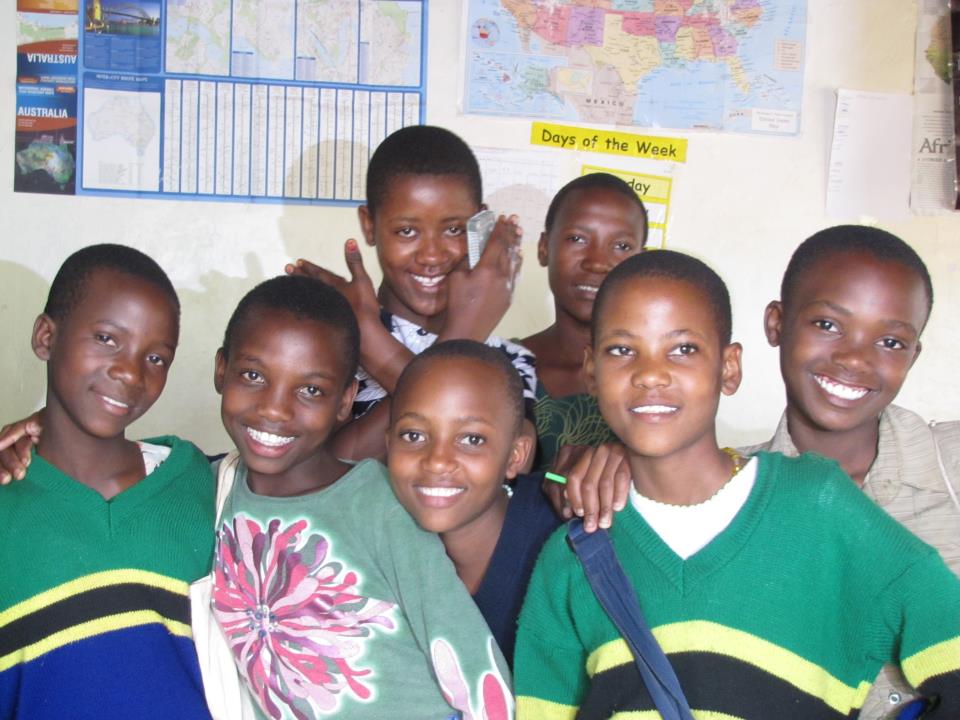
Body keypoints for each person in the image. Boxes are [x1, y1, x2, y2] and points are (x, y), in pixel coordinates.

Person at [514, 250, 960, 719]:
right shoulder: (570, 557)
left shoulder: (820, 503)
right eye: (622, 350)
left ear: (729, 368)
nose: (650, 374)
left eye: (683, 349)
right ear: (591, 371)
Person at [207, 276, 512, 719]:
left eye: (310, 390)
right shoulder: (214, 491)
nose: (274, 409)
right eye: (253, 376)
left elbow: (470, 660)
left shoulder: (377, 504)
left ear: (345, 399)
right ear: (221, 370)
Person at [742, 224, 960, 718]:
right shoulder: (728, 487)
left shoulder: (950, 466)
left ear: (914, 355)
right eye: (827, 324)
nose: (855, 359)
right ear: (777, 323)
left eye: (890, 341)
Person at [0, 244, 215, 720]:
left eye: (156, 358)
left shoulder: (200, 484)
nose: (130, 372)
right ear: (46, 336)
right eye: (106, 338)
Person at [286, 125, 537, 463]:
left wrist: (374, 344)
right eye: (407, 231)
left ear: (480, 227)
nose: (431, 256)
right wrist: (462, 336)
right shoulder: (331, 342)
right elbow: (334, 466)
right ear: (369, 224)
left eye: (453, 229)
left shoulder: (510, 361)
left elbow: (512, 464)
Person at [385, 339, 559, 666]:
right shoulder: (377, 544)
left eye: (472, 439)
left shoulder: (565, 544)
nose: (437, 461)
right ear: (388, 444)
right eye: (413, 435)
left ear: (516, 455)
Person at [520, 172, 648, 472]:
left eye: (622, 246)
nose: (597, 262)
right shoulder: (503, 367)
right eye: (577, 239)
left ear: (640, 260)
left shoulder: (659, 375)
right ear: (543, 247)